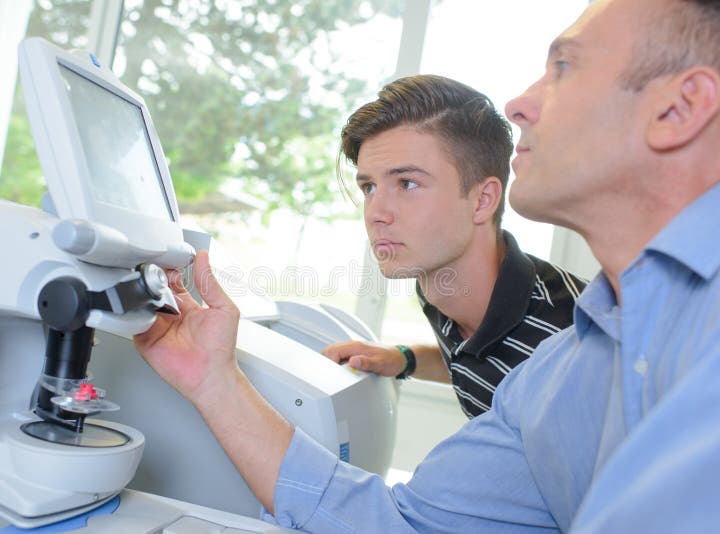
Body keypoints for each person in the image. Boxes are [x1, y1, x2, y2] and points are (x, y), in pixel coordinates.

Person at [134, 0, 720, 530]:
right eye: (368, 186)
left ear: (680, 108)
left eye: (564, 67)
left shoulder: (554, 333)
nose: (518, 104)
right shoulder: (556, 372)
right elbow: (402, 523)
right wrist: (214, 380)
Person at [321, 74, 586, 418]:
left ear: (482, 200)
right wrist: (405, 358)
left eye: (407, 183)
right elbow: (476, 362)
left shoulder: (571, 338)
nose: (375, 213)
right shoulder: (437, 284)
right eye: (369, 187)